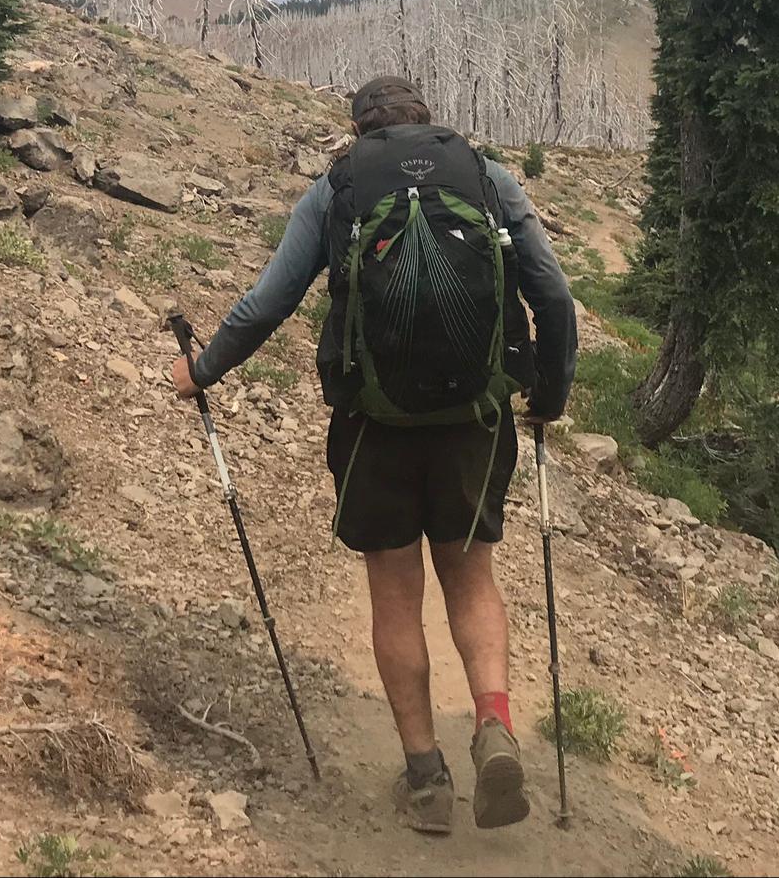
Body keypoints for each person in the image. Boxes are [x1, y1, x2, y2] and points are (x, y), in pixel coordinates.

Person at [172, 75, 577, 834]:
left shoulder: (340, 187)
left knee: (396, 593)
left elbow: (269, 301)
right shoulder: (485, 178)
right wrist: (548, 395)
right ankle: (493, 722)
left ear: (356, 128)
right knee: (470, 573)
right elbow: (551, 294)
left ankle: (425, 780)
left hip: (374, 423)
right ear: (428, 120)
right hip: (474, 420)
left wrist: (201, 368)